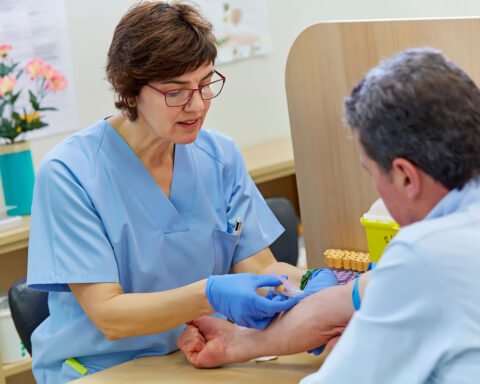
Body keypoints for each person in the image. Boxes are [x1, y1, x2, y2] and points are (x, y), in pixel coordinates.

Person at [26, 2, 338, 383]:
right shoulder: (70, 173)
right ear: (130, 91)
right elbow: (109, 315)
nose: (198, 105)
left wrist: (321, 287)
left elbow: (261, 269)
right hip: (101, 367)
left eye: (206, 83)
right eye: (176, 92)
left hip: (197, 354)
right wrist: (211, 294)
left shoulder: (219, 156)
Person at [177, 47, 480, 383]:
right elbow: (343, 301)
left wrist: (355, 347)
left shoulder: (423, 254)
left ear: (406, 176)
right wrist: (239, 343)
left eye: (372, 174)